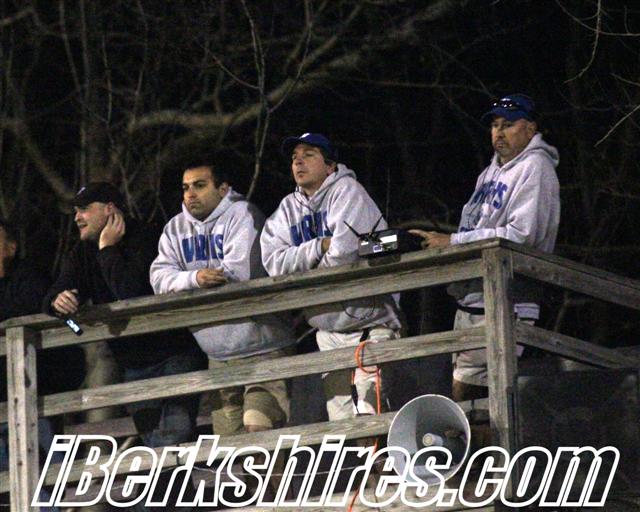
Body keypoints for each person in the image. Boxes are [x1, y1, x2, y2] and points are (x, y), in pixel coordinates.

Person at [410, 93, 560, 401]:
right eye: (494, 125)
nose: (499, 132)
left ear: (530, 129)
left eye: (508, 124)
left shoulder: (536, 167)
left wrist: (453, 241)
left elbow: (522, 235)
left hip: (509, 298)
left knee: (473, 393)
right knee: (472, 396)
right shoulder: (488, 173)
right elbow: (475, 228)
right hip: (474, 297)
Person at [42, 182, 203, 448]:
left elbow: (131, 291)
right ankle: (172, 479)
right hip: (132, 364)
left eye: (84, 209)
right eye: (75, 212)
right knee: (154, 443)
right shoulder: (81, 252)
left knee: (176, 435)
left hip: (174, 354)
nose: (77, 217)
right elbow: (51, 298)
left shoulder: (147, 236)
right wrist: (58, 303)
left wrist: (107, 250)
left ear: (110, 209)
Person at [260, 133, 403, 422]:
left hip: (370, 323)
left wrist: (303, 270)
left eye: (308, 154)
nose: (298, 161)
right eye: (294, 157)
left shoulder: (348, 190)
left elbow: (343, 254)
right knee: (341, 423)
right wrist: (318, 246)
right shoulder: (287, 208)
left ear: (330, 166)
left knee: (369, 414)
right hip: (326, 330)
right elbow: (273, 263)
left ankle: (388, 455)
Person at [150, 164, 296, 435]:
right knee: (230, 447)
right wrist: (195, 278)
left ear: (223, 189)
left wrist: (186, 282)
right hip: (217, 356)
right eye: (185, 187)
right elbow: (159, 278)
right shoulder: (175, 228)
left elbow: (238, 272)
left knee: (259, 431)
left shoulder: (242, 214)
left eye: (200, 185)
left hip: (263, 348)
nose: (190, 193)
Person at [0, 220, 84, 512]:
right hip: (4, 394)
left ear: (11, 247)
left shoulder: (29, 276)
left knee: (44, 463)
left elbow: (32, 310)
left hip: (38, 388)